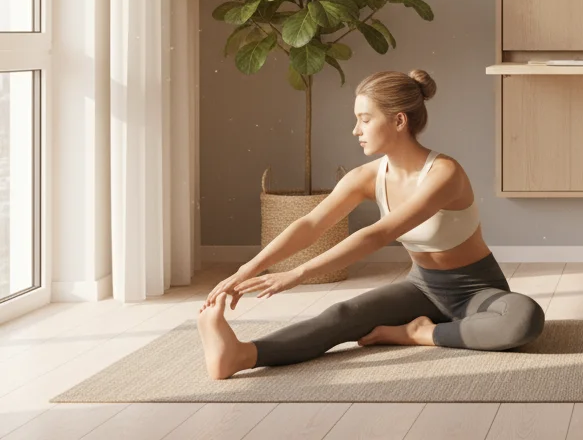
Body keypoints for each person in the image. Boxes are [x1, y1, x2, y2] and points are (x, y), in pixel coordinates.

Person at [195, 69, 544, 380]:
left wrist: (297, 275)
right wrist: (247, 269)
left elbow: (379, 233)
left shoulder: (444, 174)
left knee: (523, 318)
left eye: (365, 119)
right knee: (343, 314)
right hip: (422, 288)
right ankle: (241, 355)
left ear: (399, 121)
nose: (355, 130)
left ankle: (418, 334)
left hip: (476, 291)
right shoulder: (367, 176)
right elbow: (310, 224)